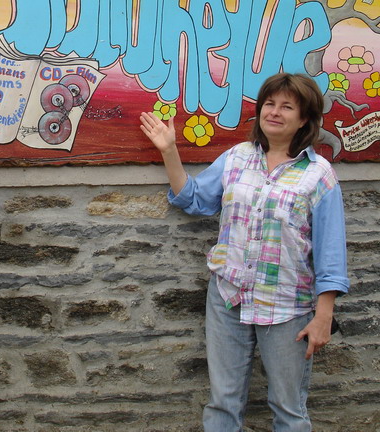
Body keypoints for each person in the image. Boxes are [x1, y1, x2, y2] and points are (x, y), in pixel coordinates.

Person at [140, 73, 349, 432]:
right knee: (223, 404)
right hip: (228, 298)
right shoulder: (237, 157)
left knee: (288, 408)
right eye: (269, 104)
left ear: (305, 119)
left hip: (287, 307)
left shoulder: (319, 175)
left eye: (287, 107)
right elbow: (194, 199)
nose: (275, 112)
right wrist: (169, 150)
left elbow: (331, 251)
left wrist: (324, 315)